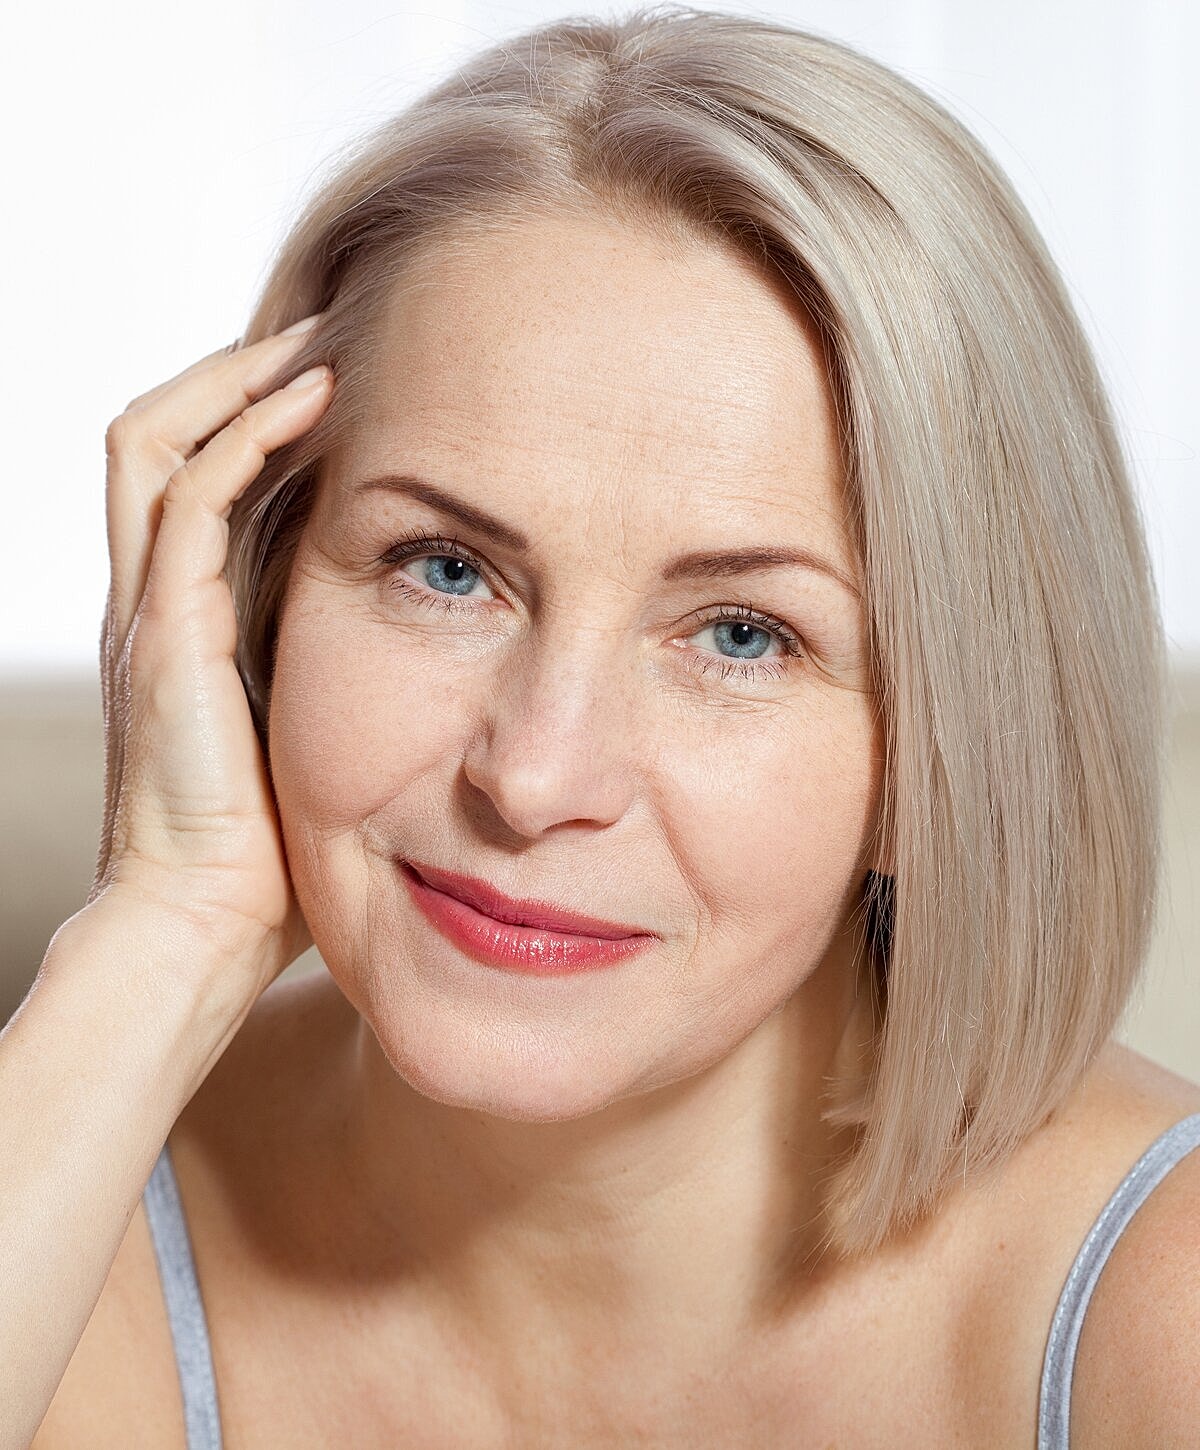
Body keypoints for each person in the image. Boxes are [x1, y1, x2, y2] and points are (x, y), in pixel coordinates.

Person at [8, 6, 1199, 1446]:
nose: (533, 773)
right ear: (258, 595)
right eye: (444, 569)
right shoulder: (71, 1207)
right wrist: (165, 930)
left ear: (941, 747)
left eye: (742, 635)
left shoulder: (1160, 1315)